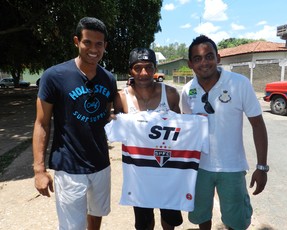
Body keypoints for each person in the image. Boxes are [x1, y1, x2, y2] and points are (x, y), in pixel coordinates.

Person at [32, 17, 117, 230]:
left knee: (96, 215)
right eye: (87, 42)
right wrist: (39, 170)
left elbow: (107, 117)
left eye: (99, 44)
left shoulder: (109, 78)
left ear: (105, 46)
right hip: (69, 167)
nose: (93, 49)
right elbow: (42, 123)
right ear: (76, 41)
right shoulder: (54, 76)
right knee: (72, 227)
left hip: (101, 164)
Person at [181, 35, 268, 230]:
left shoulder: (239, 83)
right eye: (197, 58)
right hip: (199, 168)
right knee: (201, 216)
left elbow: (258, 125)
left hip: (232, 168)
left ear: (218, 58)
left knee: (236, 222)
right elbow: (188, 129)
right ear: (190, 64)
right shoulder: (187, 91)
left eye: (209, 56)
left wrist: (262, 167)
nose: (204, 62)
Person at [113, 48, 183, 230]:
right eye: (138, 68)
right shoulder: (121, 98)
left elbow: (181, 130)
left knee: (169, 217)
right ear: (130, 71)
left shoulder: (170, 94)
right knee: (143, 222)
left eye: (149, 67)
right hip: (139, 171)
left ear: (155, 69)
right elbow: (117, 127)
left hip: (167, 167)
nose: (144, 73)